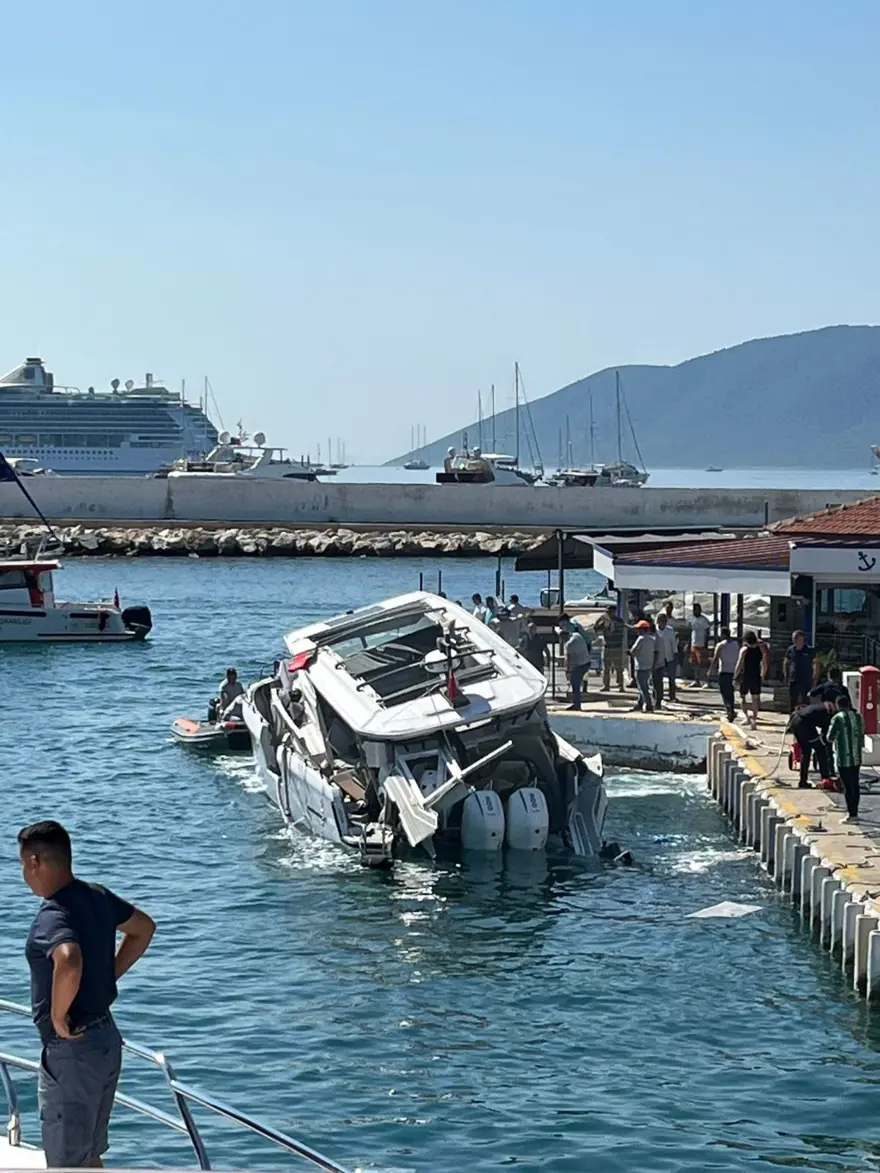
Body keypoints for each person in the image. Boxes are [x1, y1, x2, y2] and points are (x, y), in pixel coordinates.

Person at [19, 820, 156, 1169]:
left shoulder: (53, 914)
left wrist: (56, 1016)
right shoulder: (97, 895)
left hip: (74, 1052)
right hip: (105, 1042)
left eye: (22, 864)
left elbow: (69, 958)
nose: (23, 874)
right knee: (90, 1156)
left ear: (35, 862)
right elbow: (143, 928)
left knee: (67, 1163)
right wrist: (110, 972)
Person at [828, 693, 864, 822]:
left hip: (843, 758)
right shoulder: (858, 717)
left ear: (838, 705)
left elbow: (830, 737)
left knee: (847, 786)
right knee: (855, 784)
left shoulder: (837, 718)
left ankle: (851, 814)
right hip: (856, 757)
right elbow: (861, 735)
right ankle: (856, 811)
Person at [789, 700, 835, 789]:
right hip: (803, 725)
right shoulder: (828, 714)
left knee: (806, 752)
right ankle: (825, 779)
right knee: (821, 750)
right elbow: (826, 734)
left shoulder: (822, 707)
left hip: (795, 721)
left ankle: (803, 781)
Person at [735, 631, 765, 729]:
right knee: (755, 698)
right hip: (756, 675)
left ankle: (747, 717)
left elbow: (739, 664)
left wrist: (735, 676)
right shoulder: (760, 649)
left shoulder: (744, 650)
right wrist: (763, 674)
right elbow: (764, 663)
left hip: (746, 675)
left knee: (742, 697)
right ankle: (754, 720)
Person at [559, 615, 590, 710]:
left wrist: (568, 671)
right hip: (587, 662)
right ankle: (577, 702)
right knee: (577, 682)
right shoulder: (577, 635)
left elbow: (570, 659)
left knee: (574, 683)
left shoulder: (569, 644)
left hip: (580, 664)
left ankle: (577, 704)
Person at [709, 627, 740, 721]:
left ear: (722, 635)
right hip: (733, 671)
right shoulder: (736, 644)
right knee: (731, 692)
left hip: (723, 671)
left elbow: (715, 658)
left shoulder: (720, 645)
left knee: (724, 693)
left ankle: (729, 711)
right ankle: (732, 710)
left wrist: (711, 670)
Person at [594, 605, 625, 692]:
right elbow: (595, 628)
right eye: (607, 612)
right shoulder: (605, 622)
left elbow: (617, 630)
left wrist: (611, 623)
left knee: (619, 668)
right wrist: (599, 620)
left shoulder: (619, 621)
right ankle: (606, 685)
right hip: (607, 647)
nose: (608, 614)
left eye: (610, 612)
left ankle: (621, 685)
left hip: (617, 647)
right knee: (606, 668)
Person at [785, 630, 818, 711]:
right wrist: (786, 675)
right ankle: (792, 718)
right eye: (793, 638)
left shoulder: (810, 650)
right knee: (793, 700)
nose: (794, 640)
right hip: (794, 679)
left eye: (797, 638)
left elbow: (816, 664)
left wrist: (815, 678)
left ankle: (805, 718)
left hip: (805, 679)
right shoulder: (790, 649)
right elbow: (786, 662)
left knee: (805, 700)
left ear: (802, 639)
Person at [629, 619, 656, 713]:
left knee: (643, 687)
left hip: (640, 665)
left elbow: (633, 651)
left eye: (638, 629)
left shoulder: (640, 639)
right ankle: (640, 703)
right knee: (644, 685)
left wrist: (631, 653)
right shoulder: (652, 639)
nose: (637, 631)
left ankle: (649, 705)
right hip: (648, 665)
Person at [654, 612, 678, 705]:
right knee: (658, 679)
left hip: (669, 657)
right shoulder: (655, 631)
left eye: (664, 621)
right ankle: (658, 696)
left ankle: (672, 696)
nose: (662, 622)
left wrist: (675, 654)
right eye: (660, 621)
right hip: (659, 657)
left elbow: (673, 643)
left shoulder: (670, 630)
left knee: (671, 678)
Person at [689, 603, 711, 687]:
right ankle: (696, 680)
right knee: (694, 664)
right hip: (693, 643)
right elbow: (691, 631)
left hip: (701, 644)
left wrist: (706, 644)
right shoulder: (692, 619)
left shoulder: (704, 620)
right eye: (694, 609)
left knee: (703, 664)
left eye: (697, 609)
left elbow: (707, 632)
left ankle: (705, 681)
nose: (695, 611)